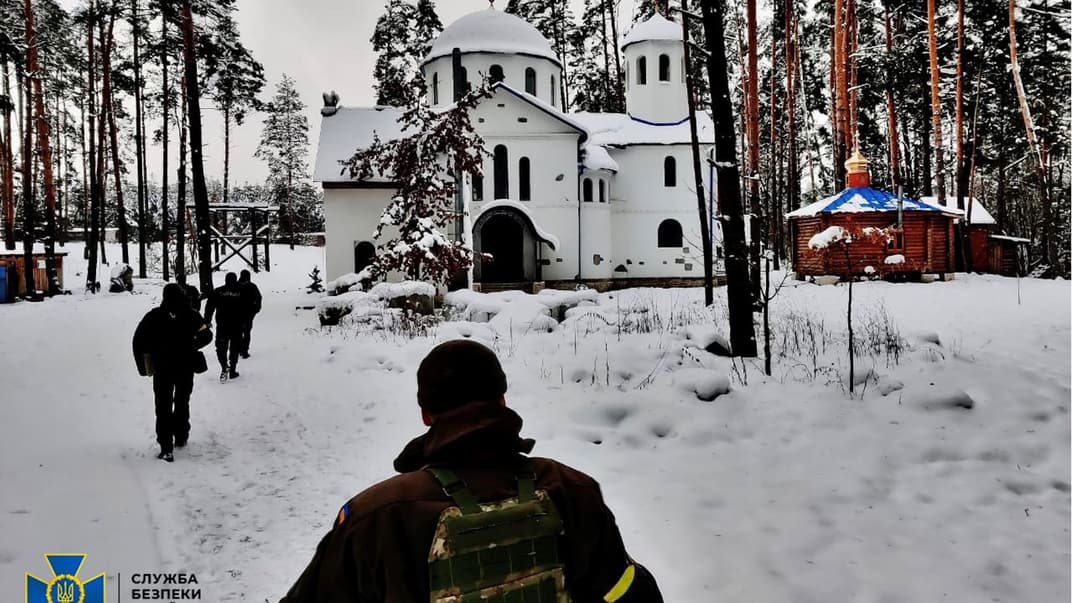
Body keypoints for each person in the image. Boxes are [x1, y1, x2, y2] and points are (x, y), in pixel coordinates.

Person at [279, 339, 663, 602]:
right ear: (501, 400)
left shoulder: (375, 516)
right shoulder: (574, 490)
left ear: (427, 414)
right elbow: (628, 592)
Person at [132, 283, 213, 462]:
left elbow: (138, 340)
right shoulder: (192, 315)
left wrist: (145, 362)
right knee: (182, 402)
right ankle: (181, 436)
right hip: (185, 366)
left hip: (162, 368)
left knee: (163, 406)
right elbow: (207, 335)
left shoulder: (154, 316)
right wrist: (192, 346)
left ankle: (166, 446)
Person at [204, 272, 245, 381]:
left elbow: (209, 307)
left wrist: (207, 321)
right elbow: (248, 307)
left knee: (221, 348)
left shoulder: (218, 291)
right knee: (234, 348)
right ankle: (232, 370)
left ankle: (224, 366)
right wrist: (246, 321)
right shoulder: (242, 291)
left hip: (222, 325)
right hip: (237, 325)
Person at [237, 269, 262, 359]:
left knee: (239, 332)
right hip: (248, 313)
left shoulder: (236, 286)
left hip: (237, 313)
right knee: (247, 332)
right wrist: (256, 309)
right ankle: (245, 351)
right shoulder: (252, 286)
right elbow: (258, 298)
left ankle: (240, 349)